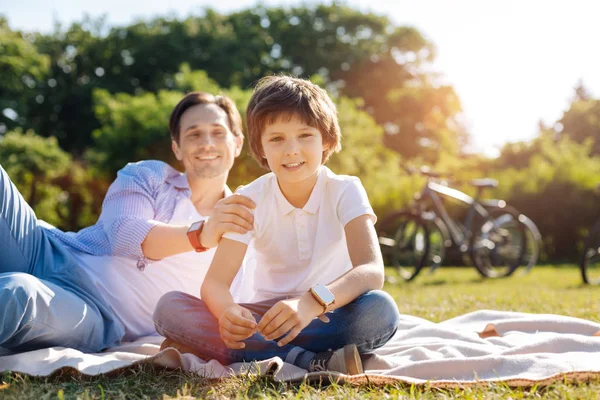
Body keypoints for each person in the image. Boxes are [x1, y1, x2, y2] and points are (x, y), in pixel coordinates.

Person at [153, 76, 401, 375]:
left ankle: (219, 349)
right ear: (260, 147)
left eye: (305, 135)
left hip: (328, 310)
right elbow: (215, 284)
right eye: (277, 139)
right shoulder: (249, 198)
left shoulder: (345, 189)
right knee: (170, 308)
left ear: (327, 140)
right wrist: (227, 312)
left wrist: (310, 303)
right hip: (266, 319)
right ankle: (310, 360)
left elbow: (371, 270)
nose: (292, 150)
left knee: (380, 310)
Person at [0, 92, 255, 354]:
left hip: (93, 311)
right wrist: (201, 234)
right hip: (45, 249)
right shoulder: (149, 175)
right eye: (193, 134)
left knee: (17, 292)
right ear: (177, 148)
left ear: (237, 143)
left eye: (217, 132)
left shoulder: (245, 226)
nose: (207, 143)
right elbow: (123, 233)